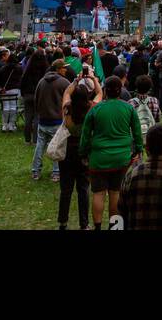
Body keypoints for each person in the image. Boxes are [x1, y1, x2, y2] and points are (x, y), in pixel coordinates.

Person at [80, 74, 143, 229]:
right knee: (116, 193)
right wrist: (138, 150)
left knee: (98, 194)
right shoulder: (128, 108)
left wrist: (83, 153)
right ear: (120, 90)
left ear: (105, 90)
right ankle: (115, 227)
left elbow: (85, 135)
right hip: (121, 158)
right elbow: (137, 132)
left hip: (99, 158)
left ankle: (98, 227)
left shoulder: (96, 109)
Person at [58, 76, 96, 230]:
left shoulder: (67, 108)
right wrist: (93, 79)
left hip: (68, 149)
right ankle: (84, 223)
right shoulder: (91, 109)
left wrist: (74, 82)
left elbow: (66, 93)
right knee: (83, 188)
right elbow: (99, 93)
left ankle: (63, 222)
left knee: (66, 189)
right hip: (84, 150)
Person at [32, 57, 70, 182]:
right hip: (57, 120)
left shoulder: (41, 81)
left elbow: (36, 99)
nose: (66, 69)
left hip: (43, 119)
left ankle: (35, 171)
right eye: (64, 67)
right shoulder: (64, 83)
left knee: (40, 146)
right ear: (59, 69)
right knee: (57, 146)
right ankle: (56, 172)